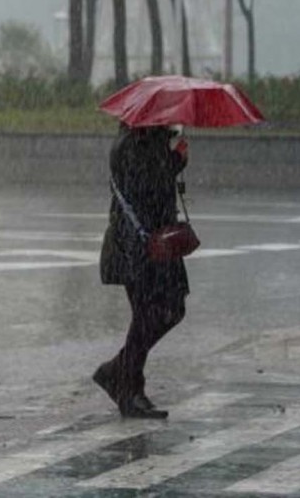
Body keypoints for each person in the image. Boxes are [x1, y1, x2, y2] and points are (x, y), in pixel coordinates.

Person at [94, 124, 190, 419]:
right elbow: (145, 188)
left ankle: (120, 375)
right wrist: (174, 162)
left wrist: (172, 161)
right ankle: (128, 387)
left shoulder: (148, 140)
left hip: (154, 243)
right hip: (138, 244)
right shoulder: (132, 144)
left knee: (167, 310)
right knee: (152, 313)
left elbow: (153, 185)